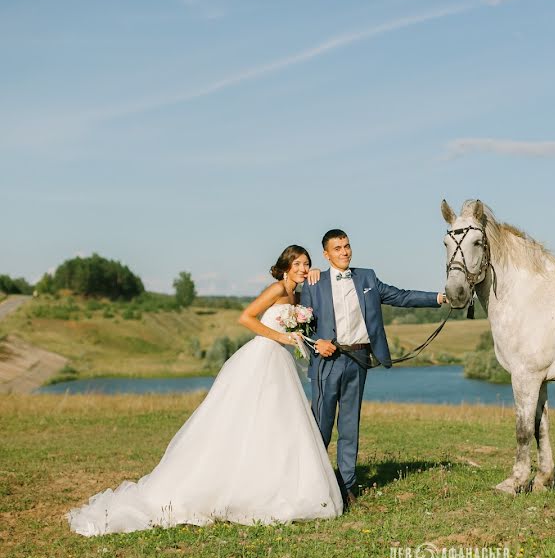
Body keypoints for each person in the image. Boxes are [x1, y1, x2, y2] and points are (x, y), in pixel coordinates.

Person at [68, 245, 343, 536]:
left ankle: (273, 484)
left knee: (277, 424)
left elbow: (318, 300)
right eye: (297, 263)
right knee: (241, 419)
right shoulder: (276, 290)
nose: (302, 268)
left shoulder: (298, 296)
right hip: (262, 356)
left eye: (306, 264)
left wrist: (315, 282)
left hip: (280, 362)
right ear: (285, 266)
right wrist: (281, 336)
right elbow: (246, 318)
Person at [301, 229, 446, 506]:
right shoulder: (313, 284)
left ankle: (347, 487)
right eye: (337, 248)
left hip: (358, 361)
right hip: (326, 364)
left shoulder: (366, 277)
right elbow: (302, 326)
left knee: (349, 426)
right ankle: (313, 484)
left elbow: (401, 296)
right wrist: (316, 343)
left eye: (347, 246)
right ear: (326, 254)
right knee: (321, 426)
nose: (344, 252)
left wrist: (439, 298)